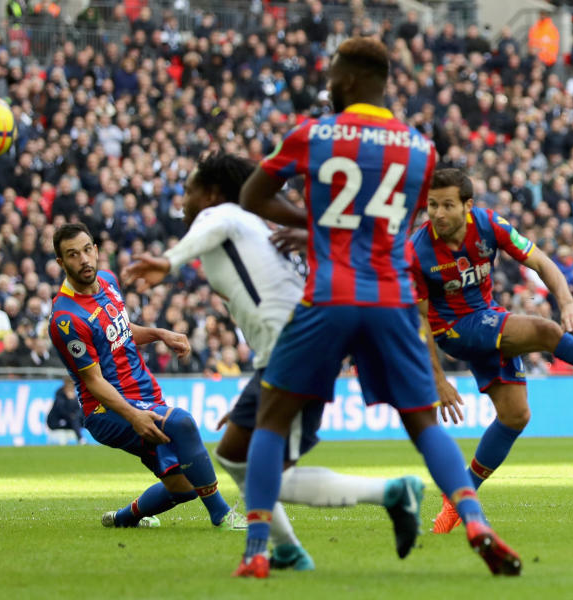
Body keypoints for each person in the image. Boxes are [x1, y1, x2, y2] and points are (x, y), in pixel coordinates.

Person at [234, 37, 521, 578]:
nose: (328, 85)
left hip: (329, 295)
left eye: (332, 77)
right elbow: (393, 225)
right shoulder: (420, 149)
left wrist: (312, 224)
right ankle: (476, 520)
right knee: (424, 426)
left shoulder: (313, 134)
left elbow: (252, 196)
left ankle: (255, 551)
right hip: (391, 298)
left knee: (271, 421)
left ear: (346, 81)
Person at [122, 151, 426, 572]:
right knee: (233, 455)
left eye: (190, 190)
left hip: (299, 347)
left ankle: (391, 492)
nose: (184, 198)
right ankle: (287, 549)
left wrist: (169, 260)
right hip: (285, 353)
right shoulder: (250, 229)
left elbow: (218, 221)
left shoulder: (225, 214)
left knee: (270, 474)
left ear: (211, 194)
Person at [409, 168, 573, 533]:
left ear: (468, 206)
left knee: (515, 416)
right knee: (545, 331)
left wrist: (567, 302)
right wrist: (437, 379)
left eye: (447, 205)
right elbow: (419, 321)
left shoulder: (488, 225)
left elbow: (540, 261)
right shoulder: (417, 251)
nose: (437, 214)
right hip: (453, 331)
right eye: (432, 205)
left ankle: (461, 496)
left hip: (488, 318)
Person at [48, 223, 241, 531]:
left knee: (186, 487)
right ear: (61, 263)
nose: (83, 260)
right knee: (182, 423)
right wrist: (133, 414)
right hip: (107, 409)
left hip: (143, 391)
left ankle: (124, 519)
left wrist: (160, 333)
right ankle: (222, 515)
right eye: (73, 255)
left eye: (87, 250)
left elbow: (121, 331)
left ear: (96, 250)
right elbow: (93, 381)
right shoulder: (66, 318)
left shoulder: (109, 281)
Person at [47, 376, 84, 444]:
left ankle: (81, 439)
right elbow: (61, 411)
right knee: (74, 419)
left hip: (68, 420)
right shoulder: (60, 395)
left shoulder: (73, 395)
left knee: (77, 419)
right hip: (57, 422)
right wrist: (70, 400)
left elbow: (77, 409)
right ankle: (81, 439)